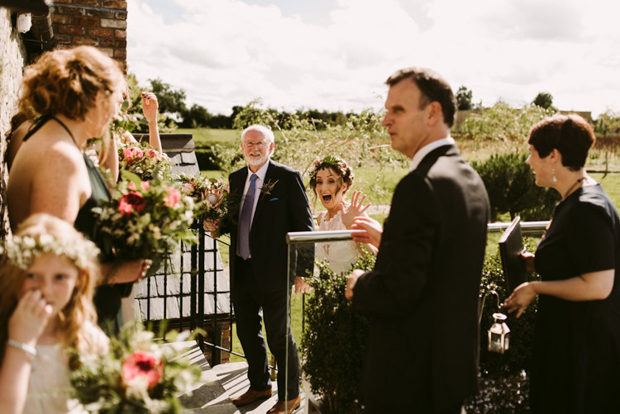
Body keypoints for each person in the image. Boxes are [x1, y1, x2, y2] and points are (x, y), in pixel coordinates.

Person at [345, 67, 490, 413]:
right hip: (450, 374)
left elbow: (398, 292)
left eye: (397, 110)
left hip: (410, 382)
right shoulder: (471, 180)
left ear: (433, 113)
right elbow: (442, 269)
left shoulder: (420, 185)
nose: (385, 121)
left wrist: (359, 284)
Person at [7, 46, 150, 333]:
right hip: (70, 326)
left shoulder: (56, 139)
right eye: (115, 100)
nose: (116, 112)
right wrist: (120, 270)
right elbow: (48, 274)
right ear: (97, 97)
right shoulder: (60, 158)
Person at [504, 114, 620, 413]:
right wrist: (534, 263)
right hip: (570, 337)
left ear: (553, 156)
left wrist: (535, 287)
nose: (528, 161)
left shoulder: (587, 209)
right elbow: (576, 258)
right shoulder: (575, 197)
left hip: (585, 348)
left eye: (532, 153)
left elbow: (598, 285)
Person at [210, 125, 314, 414]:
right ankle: (259, 384)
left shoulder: (288, 178)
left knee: (279, 335)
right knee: (245, 330)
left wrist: (302, 272)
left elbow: (305, 227)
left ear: (272, 147)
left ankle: (290, 396)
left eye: (259, 143)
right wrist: (216, 226)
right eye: (248, 144)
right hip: (242, 269)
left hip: (275, 271)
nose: (254, 148)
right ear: (242, 147)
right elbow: (234, 221)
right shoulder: (236, 178)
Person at [0, 213, 109, 414]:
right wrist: (20, 340)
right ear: (16, 273)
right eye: (32, 276)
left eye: (60, 277)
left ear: (79, 277)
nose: (46, 289)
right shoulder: (4, 334)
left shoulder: (89, 339)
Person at [308, 155, 375, 274]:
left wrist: (352, 229)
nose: (323, 188)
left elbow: (375, 259)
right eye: (319, 181)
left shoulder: (355, 214)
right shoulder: (321, 219)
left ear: (344, 186)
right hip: (329, 290)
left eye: (331, 181)